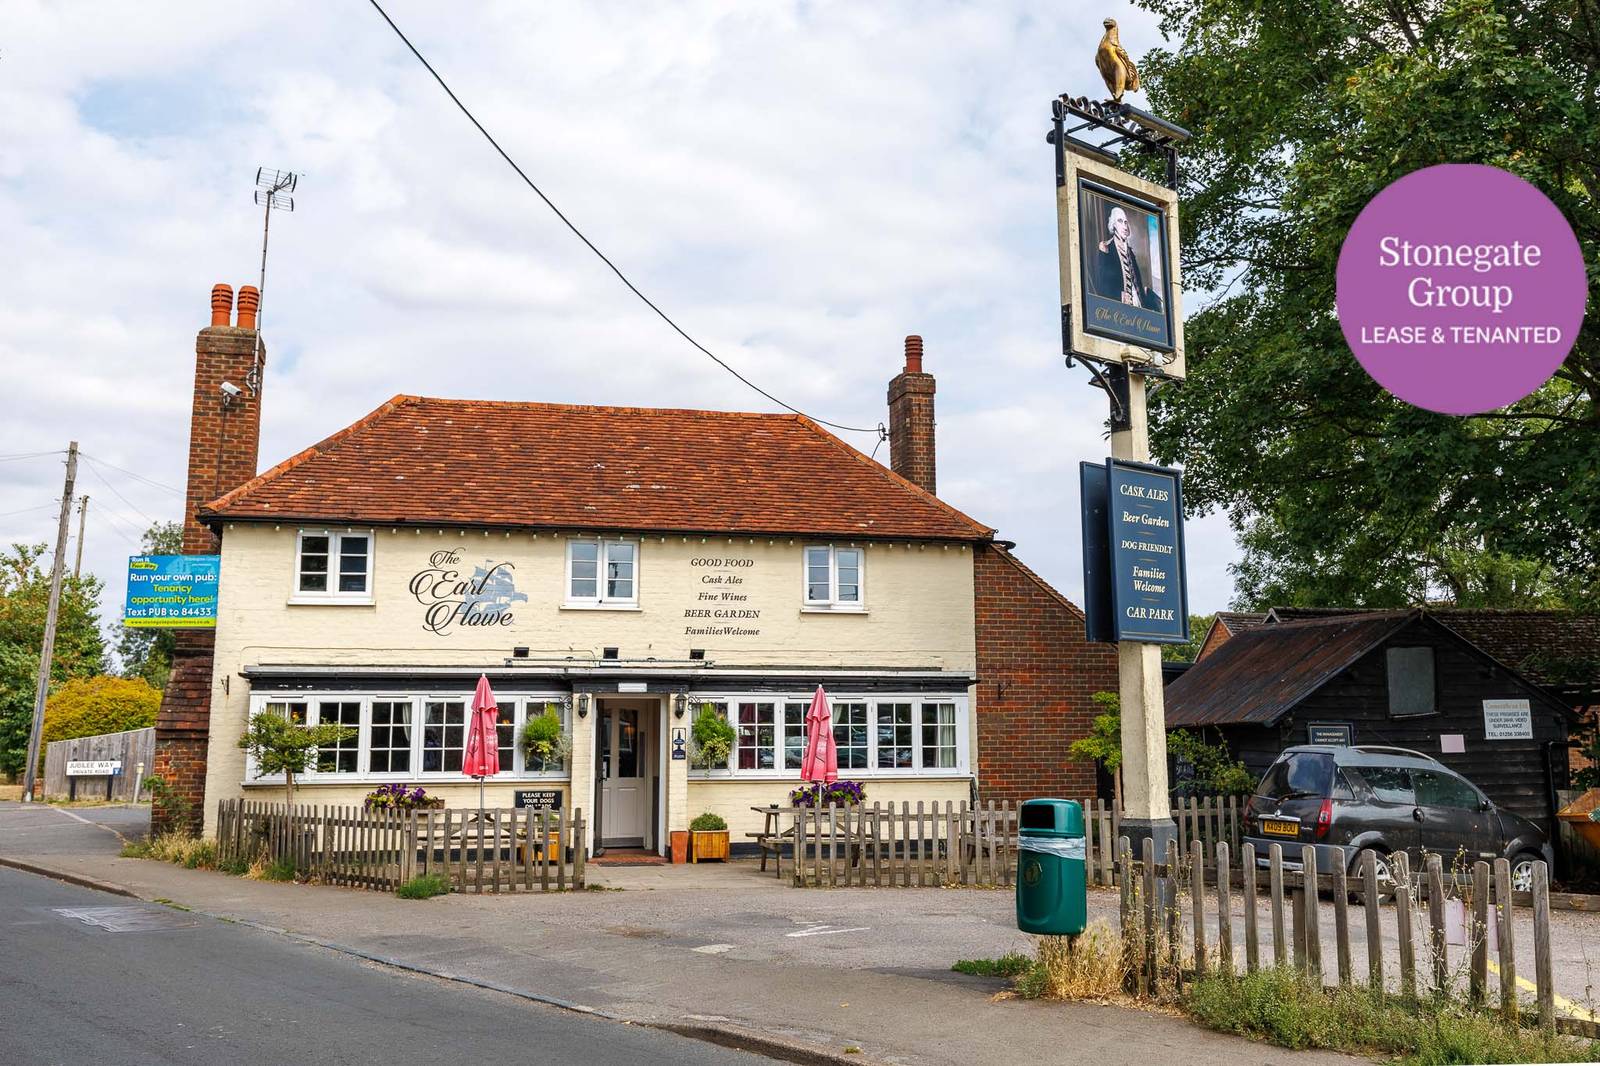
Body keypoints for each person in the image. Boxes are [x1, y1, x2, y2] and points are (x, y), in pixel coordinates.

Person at [1087, 204, 1164, 312]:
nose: (1124, 226)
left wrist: (1142, 293)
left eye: (1125, 222)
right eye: (1120, 221)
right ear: (1113, 224)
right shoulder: (1106, 247)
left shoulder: (1129, 251)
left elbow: (1136, 280)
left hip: (1137, 303)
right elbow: (1103, 284)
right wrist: (1120, 296)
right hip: (1117, 308)